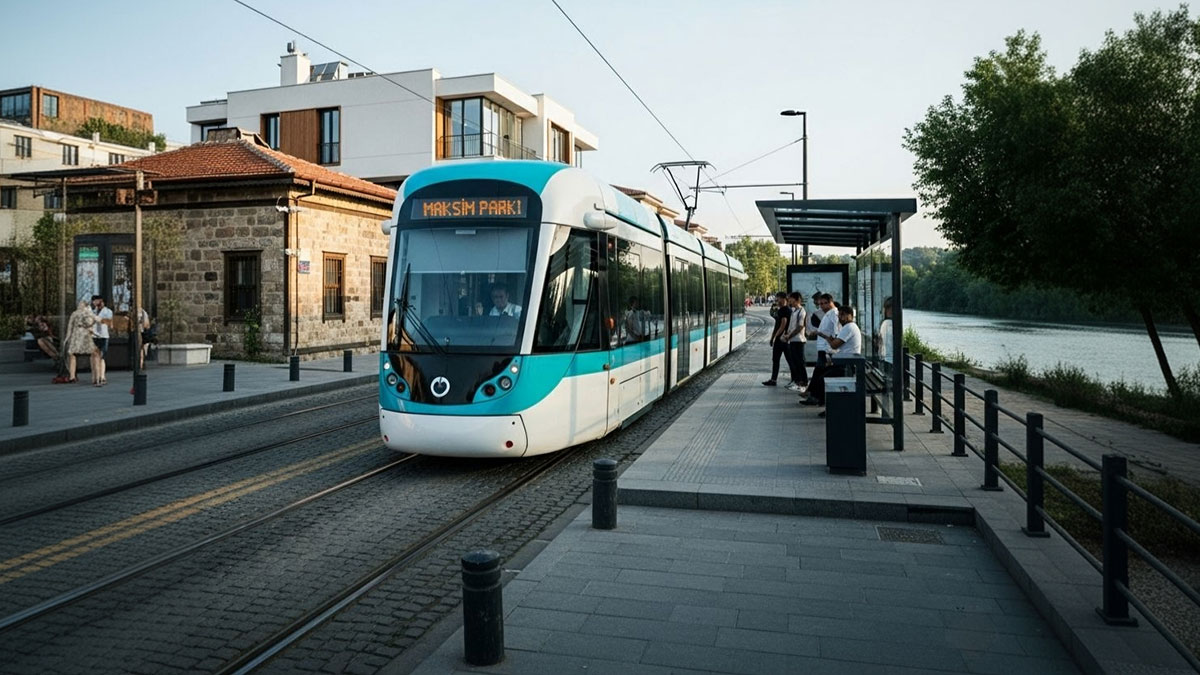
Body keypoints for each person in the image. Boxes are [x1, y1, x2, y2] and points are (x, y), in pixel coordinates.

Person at [800, 293, 840, 406]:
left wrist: (829, 352)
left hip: (827, 350)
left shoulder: (834, 314)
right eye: (820, 304)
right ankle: (814, 396)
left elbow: (835, 333)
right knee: (818, 374)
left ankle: (817, 397)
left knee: (820, 374)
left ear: (830, 302)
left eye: (823, 303)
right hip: (824, 349)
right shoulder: (828, 314)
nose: (821, 306)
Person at [762, 292, 793, 386]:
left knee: (777, 360)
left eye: (778, 299)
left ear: (784, 299)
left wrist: (776, 336)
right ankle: (792, 379)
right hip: (785, 339)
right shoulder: (787, 310)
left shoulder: (783, 310)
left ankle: (774, 379)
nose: (777, 301)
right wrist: (772, 337)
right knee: (788, 360)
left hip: (782, 339)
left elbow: (783, 323)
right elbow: (777, 324)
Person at [63, 301, 96, 383]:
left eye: (81, 304)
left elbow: (90, 323)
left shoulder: (80, 313)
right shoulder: (79, 313)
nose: (79, 306)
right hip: (79, 336)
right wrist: (67, 337)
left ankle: (93, 376)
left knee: (91, 355)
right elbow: (70, 325)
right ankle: (73, 376)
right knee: (73, 354)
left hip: (82, 336)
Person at [783, 292, 808, 391]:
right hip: (792, 340)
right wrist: (787, 335)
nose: (789, 301)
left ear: (797, 299)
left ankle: (803, 382)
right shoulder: (794, 311)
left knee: (800, 362)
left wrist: (789, 336)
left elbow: (800, 326)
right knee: (794, 362)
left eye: (791, 299)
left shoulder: (802, 311)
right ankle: (797, 381)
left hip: (798, 340)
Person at [91, 294, 113, 386]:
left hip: (104, 336)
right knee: (95, 356)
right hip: (94, 335)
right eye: (94, 301)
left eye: (96, 301)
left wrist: (98, 319)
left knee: (102, 356)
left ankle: (102, 376)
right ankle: (96, 377)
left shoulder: (108, 311)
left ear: (101, 301)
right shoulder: (92, 311)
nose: (95, 303)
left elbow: (109, 322)